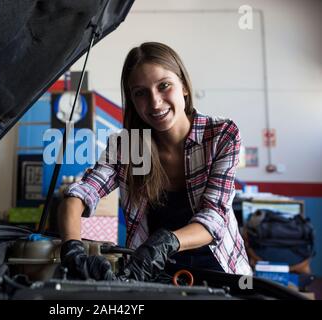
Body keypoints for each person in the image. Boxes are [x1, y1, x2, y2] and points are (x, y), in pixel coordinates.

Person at [57, 42, 252, 282]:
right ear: (132, 99)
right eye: (140, 93)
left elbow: (214, 218)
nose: (155, 102)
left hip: (221, 270)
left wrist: (166, 241)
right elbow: (80, 194)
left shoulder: (222, 135)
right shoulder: (127, 146)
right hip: (152, 275)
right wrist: (72, 248)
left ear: (184, 86)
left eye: (164, 86)